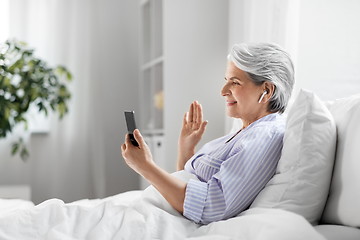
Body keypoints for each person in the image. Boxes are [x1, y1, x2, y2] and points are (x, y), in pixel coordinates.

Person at [121, 42, 295, 224]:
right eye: (226, 80)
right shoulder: (244, 131)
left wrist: (145, 166)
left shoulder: (264, 136)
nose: (223, 91)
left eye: (234, 82)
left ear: (266, 90)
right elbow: (189, 189)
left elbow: (209, 207)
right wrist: (185, 150)